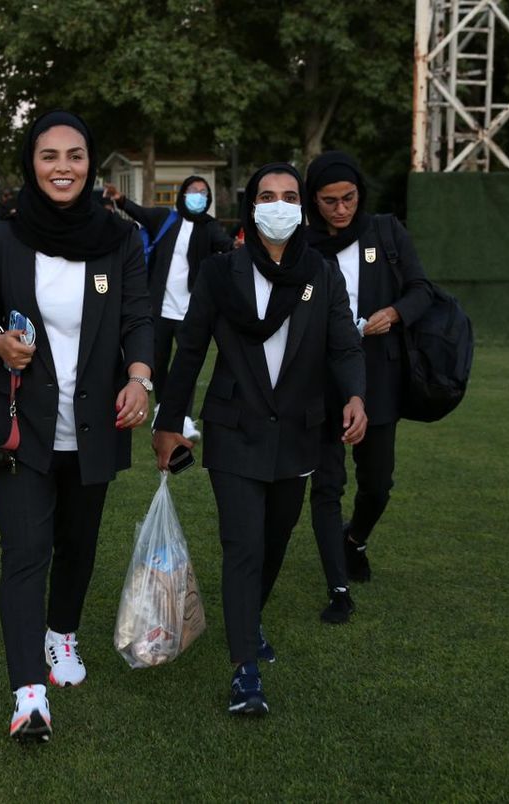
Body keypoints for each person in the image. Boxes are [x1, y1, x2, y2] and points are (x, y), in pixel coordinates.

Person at [152, 163, 366, 716]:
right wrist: (168, 422)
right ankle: (245, 670)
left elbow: (344, 344)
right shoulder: (220, 272)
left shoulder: (321, 272)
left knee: (273, 542)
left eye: (290, 196)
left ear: (302, 208)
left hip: (299, 431)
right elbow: (190, 349)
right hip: (234, 429)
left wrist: (355, 395)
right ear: (251, 206)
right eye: (267, 196)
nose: (279, 205)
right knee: (243, 544)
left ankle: (249, 619)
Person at [0, 110, 153, 742]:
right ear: (31, 163)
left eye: (74, 155)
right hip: (22, 424)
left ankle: (61, 633)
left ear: (90, 163)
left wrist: (139, 377)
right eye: (49, 155)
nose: (62, 167)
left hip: (96, 421)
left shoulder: (120, 239)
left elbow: (138, 317)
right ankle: (28, 694)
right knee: (26, 551)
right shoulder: (4, 238)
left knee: (78, 543)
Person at [305, 151, 433, 622]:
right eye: (329, 201)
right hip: (320, 380)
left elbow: (421, 290)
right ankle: (338, 588)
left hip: (378, 377)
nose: (341, 209)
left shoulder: (385, 232)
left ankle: (354, 539)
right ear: (313, 200)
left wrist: (394, 313)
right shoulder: (302, 244)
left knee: (377, 485)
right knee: (327, 485)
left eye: (349, 198)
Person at [105, 177, 234, 440]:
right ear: (183, 194)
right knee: (158, 362)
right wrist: (120, 200)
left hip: (190, 311)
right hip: (159, 307)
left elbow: (227, 246)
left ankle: (184, 418)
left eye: (203, 192)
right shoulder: (166, 219)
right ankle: (162, 409)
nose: (198, 195)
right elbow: (139, 212)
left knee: (186, 364)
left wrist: (239, 247)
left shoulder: (209, 227)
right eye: (193, 190)